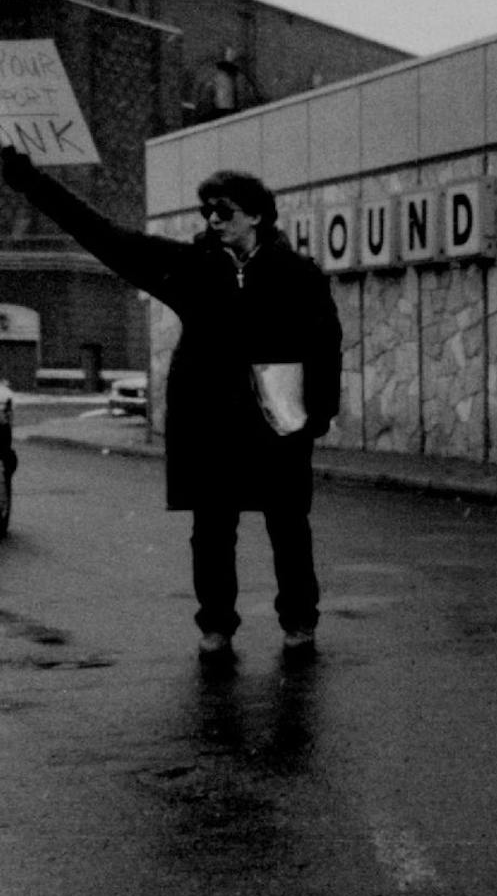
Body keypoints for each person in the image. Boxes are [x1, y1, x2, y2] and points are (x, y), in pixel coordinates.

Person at [1, 146, 342, 665]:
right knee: (212, 530)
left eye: (223, 210)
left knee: (288, 526)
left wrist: (318, 415)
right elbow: (103, 235)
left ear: (256, 215)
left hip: (277, 420)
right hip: (209, 421)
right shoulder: (191, 267)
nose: (213, 220)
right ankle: (216, 627)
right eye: (207, 211)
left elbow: (325, 346)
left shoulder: (298, 275)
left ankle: (299, 620)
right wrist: (27, 178)